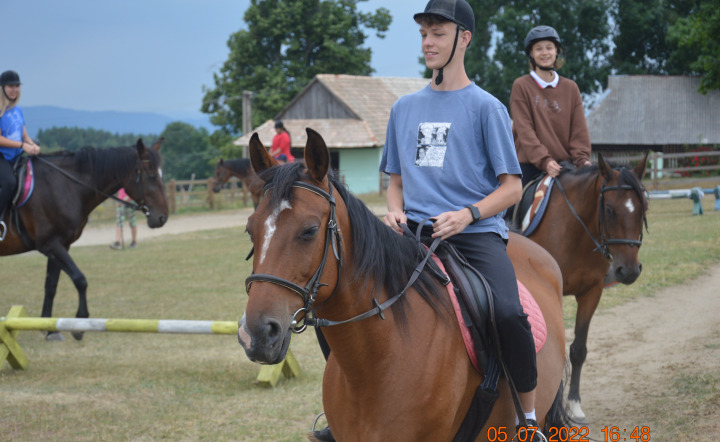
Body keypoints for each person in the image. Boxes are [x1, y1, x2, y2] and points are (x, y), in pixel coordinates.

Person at [379, 1, 545, 440]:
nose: (428, 42)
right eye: (423, 34)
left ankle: (528, 417)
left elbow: (512, 188)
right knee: (346, 297)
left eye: (437, 33)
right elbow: (394, 181)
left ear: (463, 38)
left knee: (508, 313)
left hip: (473, 235)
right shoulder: (403, 109)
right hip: (411, 234)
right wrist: (394, 209)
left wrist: (467, 214)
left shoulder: (487, 108)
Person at [510, 25, 592, 188]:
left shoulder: (571, 88)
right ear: (531, 54)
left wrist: (583, 161)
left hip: (566, 167)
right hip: (530, 167)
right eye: (538, 49)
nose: (545, 53)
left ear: (556, 51)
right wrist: (545, 161)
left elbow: (579, 130)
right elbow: (525, 131)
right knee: (510, 210)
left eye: (549, 48)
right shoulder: (521, 86)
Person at [0, 70, 41, 240]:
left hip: (17, 156)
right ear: (2, 88)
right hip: (2, 157)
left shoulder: (17, 110)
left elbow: (24, 135)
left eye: (16, 86)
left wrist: (32, 146)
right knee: (9, 183)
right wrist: (22, 145)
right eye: (10, 86)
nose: (14, 90)